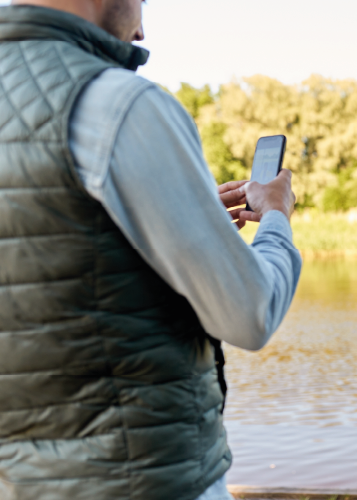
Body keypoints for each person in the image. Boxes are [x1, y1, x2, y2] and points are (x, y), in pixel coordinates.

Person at [0, 2, 302, 500]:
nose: (141, 28)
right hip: (145, 479)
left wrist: (191, 214)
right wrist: (274, 217)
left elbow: (59, 261)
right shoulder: (120, 104)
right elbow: (251, 312)